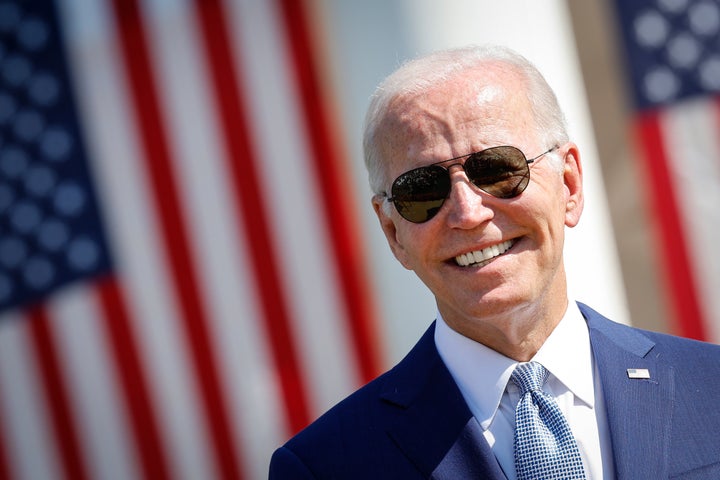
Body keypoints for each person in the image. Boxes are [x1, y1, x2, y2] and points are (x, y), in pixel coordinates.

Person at [268, 44, 720, 479]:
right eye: (423, 190)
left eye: (498, 170)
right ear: (393, 233)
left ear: (569, 184)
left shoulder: (711, 390)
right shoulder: (325, 466)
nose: (467, 213)